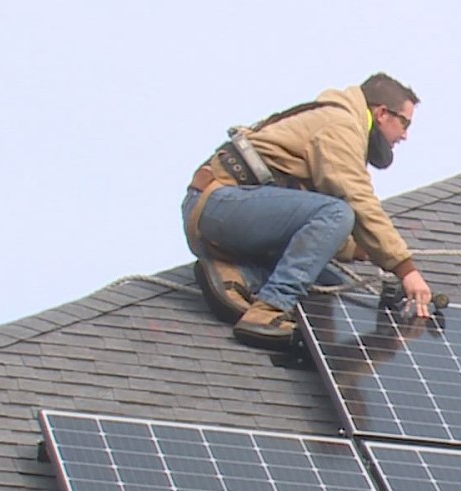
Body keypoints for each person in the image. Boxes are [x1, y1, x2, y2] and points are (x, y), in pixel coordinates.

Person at [181, 73, 436, 347]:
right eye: (405, 123)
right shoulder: (341, 126)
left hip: (231, 214)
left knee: (326, 284)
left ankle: (236, 273)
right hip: (219, 204)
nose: (405, 135)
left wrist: (361, 248)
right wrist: (404, 269)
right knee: (339, 213)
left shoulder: (339, 125)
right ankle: (269, 309)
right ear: (382, 113)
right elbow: (356, 199)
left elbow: (313, 231)